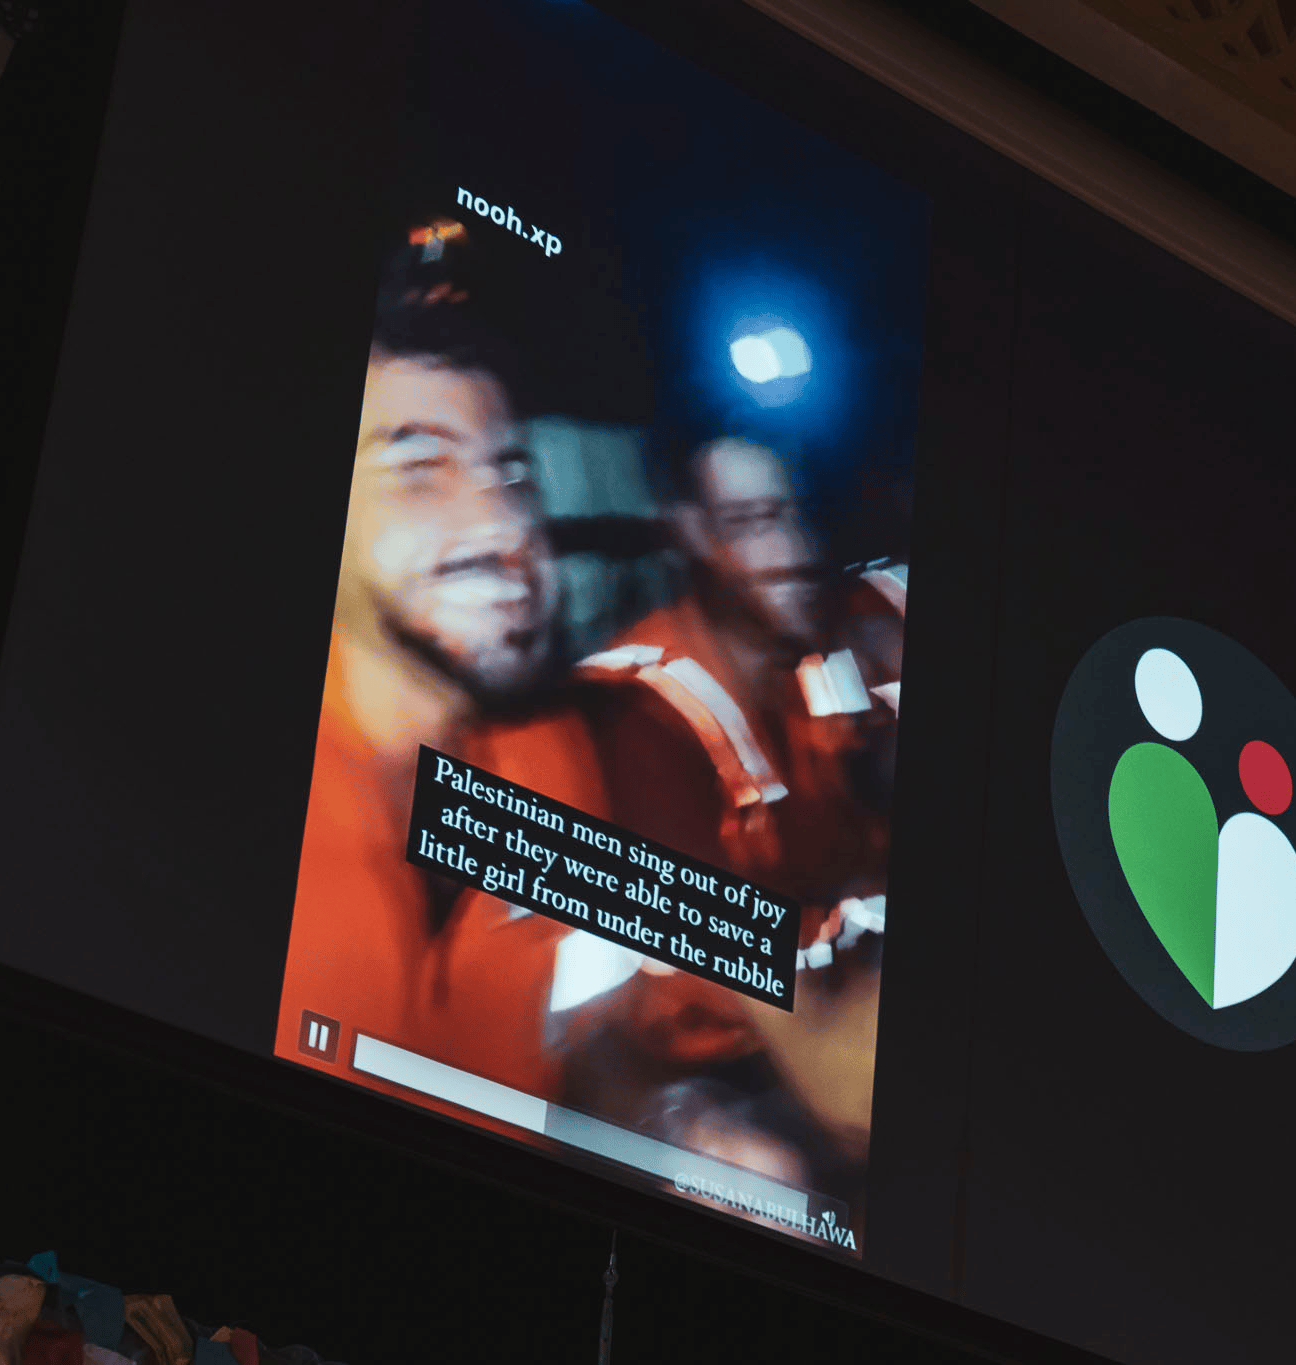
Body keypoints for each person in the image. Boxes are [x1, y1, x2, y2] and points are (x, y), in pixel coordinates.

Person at [273, 226, 610, 1099]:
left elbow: (575, 1044)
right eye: (420, 467)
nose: (502, 526)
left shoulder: (553, 759)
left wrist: (675, 1127)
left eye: (512, 475)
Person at [565, 436, 903, 1196]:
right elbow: (837, 1092)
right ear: (692, 530)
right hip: (682, 1080)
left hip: (801, 1033)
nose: (789, 550)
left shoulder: (812, 661)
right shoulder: (641, 711)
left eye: (793, 517)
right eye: (752, 521)